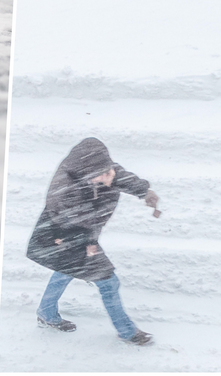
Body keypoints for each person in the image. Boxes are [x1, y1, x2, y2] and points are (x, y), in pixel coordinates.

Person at [26, 137, 160, 346]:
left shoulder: (96, 166)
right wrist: (90, 243)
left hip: (79, 234)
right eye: (104, 175)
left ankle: (46, 313)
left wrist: (144, 191)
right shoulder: (65, 190)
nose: (110, 176)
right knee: (108, 281)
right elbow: (86, 220)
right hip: (63, 236)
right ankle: (126, 332)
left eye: (109, 171)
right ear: (88, 176)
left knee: (65, 270)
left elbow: (117, 175)